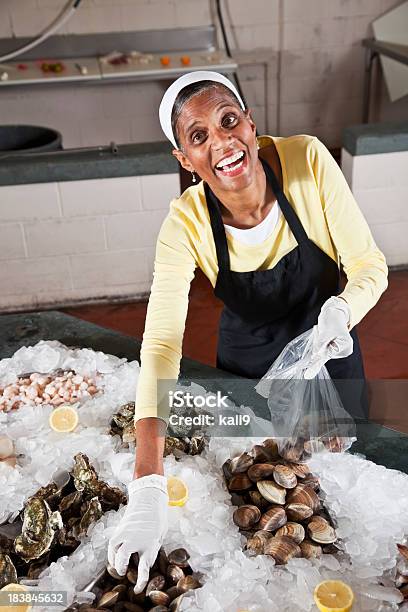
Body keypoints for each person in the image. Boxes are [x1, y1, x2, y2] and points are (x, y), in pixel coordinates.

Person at [108, 71, 388, 591]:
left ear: (250, 123)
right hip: (247, 361)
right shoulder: (184, 224)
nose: (222, 143)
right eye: (198, 137)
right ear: (185, 161)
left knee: (342, 486)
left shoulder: (306, 160)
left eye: (228, 120)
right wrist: (147, 481)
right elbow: (162, 343)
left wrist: (342, 312)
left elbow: (370, 265)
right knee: (259, 484)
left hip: (327, 346)